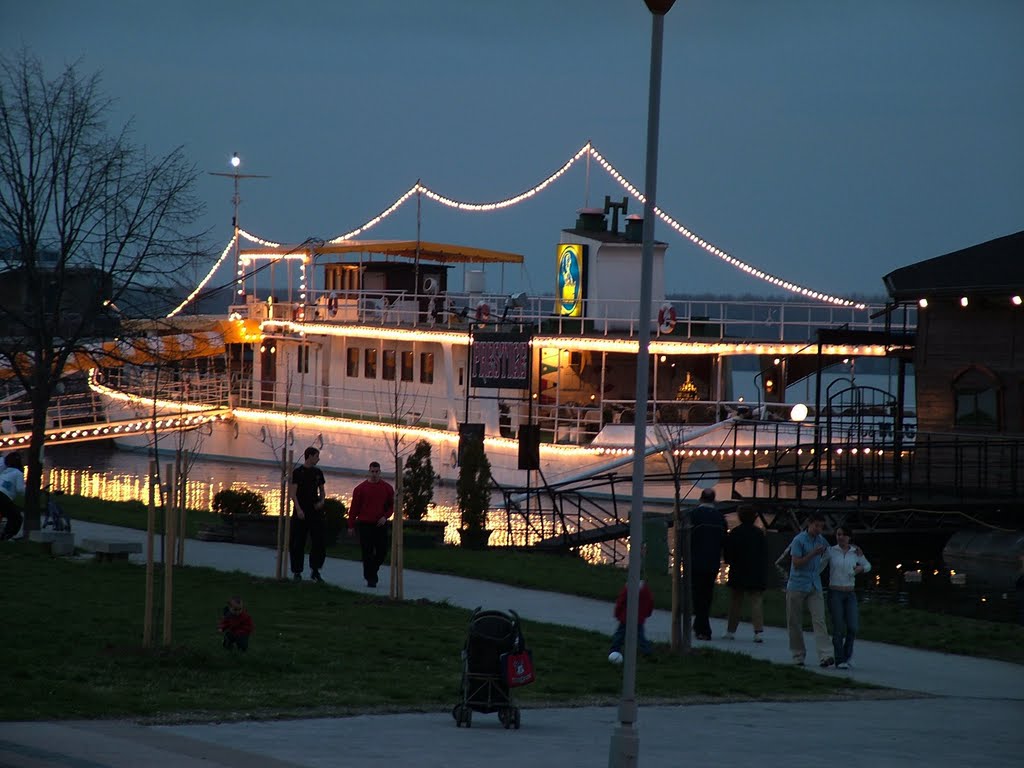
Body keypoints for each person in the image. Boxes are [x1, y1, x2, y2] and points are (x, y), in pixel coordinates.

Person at [785, 511, 833, 667]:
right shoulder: (799, 540)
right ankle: (798, 654)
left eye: (821, 527)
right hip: (797, 585)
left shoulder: (821, 541)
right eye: (816, 526)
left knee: (819, 620)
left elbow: (829, 555)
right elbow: (797, 563)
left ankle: (825, 655)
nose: (818, 529)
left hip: (814, 584)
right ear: (809, 524)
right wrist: (813, 554)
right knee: (794, 621)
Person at [827, 526, 871, 669]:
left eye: (843, 535)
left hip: (850, 593)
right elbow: (819, 565)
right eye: (838, 534)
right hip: (835, 592)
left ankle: (847, 656)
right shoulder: (831, 551)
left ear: (849, 537)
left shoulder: (855, 552)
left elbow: (868, 565)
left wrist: (861, 568)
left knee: (852, 627)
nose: (840, 537)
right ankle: (839, 659)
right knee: (838, 627)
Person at [722, 505, 767, 642]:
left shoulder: (735, 532)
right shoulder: (759, 533)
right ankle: (758, 632)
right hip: (755, 571)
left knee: (735, 602)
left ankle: (731, 631)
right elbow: (764, 554)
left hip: (738, 571)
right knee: (756, 601)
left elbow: (728, 555)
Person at [348, 461, 394, 588]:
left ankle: (372, 571)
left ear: (380, 472)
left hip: (380, 524)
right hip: (365, 524)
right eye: (372, 472)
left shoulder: (387, 488)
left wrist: (385, 517)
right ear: (369, 472)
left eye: (376, 472)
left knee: (382, 551)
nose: (374, 474)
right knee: (367, 552)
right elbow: (354, 509)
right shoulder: (360, 489)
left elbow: (391, 506)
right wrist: (351, 525)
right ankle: (370, 578)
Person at [689, 488, 726, 640]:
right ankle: (699, 624)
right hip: (713, 561)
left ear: (700, 499)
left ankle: (703, 629)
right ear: (714, 500)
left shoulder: (693, 515)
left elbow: (687, 538)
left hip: (695, 560)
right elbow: (724, 541)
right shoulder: (720, 518)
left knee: (697, 594)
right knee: (707, 593)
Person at [289, 446, 326, 583]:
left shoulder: (318, 472)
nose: (318, 459)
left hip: (315, 510)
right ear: (309, 456)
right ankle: (297, 571)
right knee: (298, 541)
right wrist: (298, 509)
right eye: (316, 456)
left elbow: (322, 490)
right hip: (301, 510)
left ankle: (315, 569)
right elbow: (293, 493)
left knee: (318, 541)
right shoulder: (298, 472)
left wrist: (322, 501)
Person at [608, 579, 654, 662]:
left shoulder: (628, 588)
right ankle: (646, 650)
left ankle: (614, 649)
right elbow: (650, 603)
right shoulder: (645, 590)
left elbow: (621, 602)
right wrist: (647, 613)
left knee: (620, 634)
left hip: (626, 617)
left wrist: (617, 613)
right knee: (640, 636)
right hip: (639, 618)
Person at [0, 452, 26, 541]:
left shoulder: (4, 472)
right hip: (3, 496)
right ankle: (6, 537)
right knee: (16, 518)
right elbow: (20, 490)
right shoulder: (18, 473)